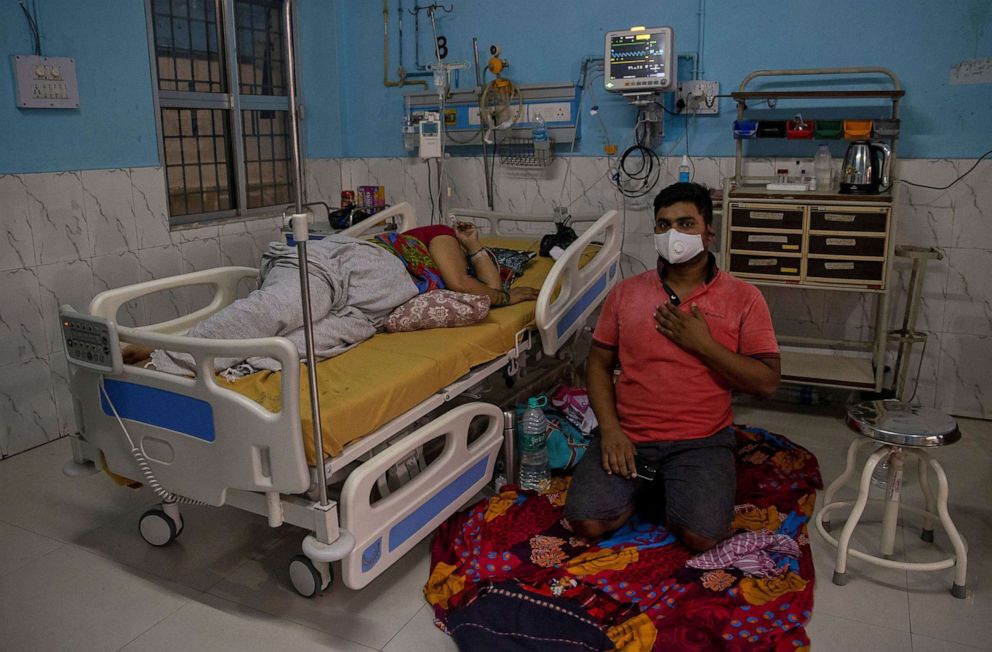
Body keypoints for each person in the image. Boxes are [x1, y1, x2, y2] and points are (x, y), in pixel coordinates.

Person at [563, 182, 781, 552]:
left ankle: (669, 484)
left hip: (702, 440)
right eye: (663, 226)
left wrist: (704, 345)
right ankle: (651, 483)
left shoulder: (744, 297)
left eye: (685, 224)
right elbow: (598, 365)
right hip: (630, 434)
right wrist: (611, 431)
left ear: (708, 233)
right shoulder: (626, 293)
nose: (672, 234)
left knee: (703, 536)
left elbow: (767, 382)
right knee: (587, 522)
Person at [121, 220, 539, 366]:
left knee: (295, 344)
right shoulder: (440, 237)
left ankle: (206, 363)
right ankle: (166, 353)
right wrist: (500, 287)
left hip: (369, 308)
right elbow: (469, 288)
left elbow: (486, 288)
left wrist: (479, 251)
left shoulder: (458, 264)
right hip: (349, 266)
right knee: (283, 307)